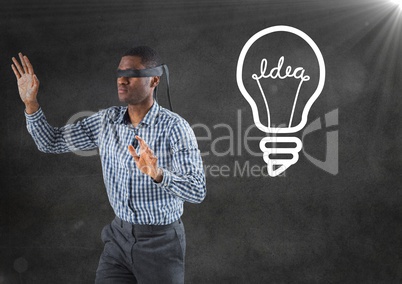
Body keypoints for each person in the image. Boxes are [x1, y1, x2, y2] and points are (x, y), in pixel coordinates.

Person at [11, 46, 206, 283]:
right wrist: (31, 104)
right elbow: (50, 142)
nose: (122, 80)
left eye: (132, 73)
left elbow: (197, 190)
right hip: (118, 238)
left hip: (161, 243)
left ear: (154, 79)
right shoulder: (106, 121)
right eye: (119, 73)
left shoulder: (175, 127)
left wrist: (158, 174)